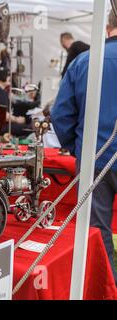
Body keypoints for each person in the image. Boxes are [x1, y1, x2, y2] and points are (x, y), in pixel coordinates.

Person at [51, 11, 117, 287]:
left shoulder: (85, 61)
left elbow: (60, 115)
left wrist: (76, 147)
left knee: (96, 230)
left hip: (95, 158)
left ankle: (108, 286)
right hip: (95, 156)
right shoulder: (86, 60)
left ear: (107, 26)